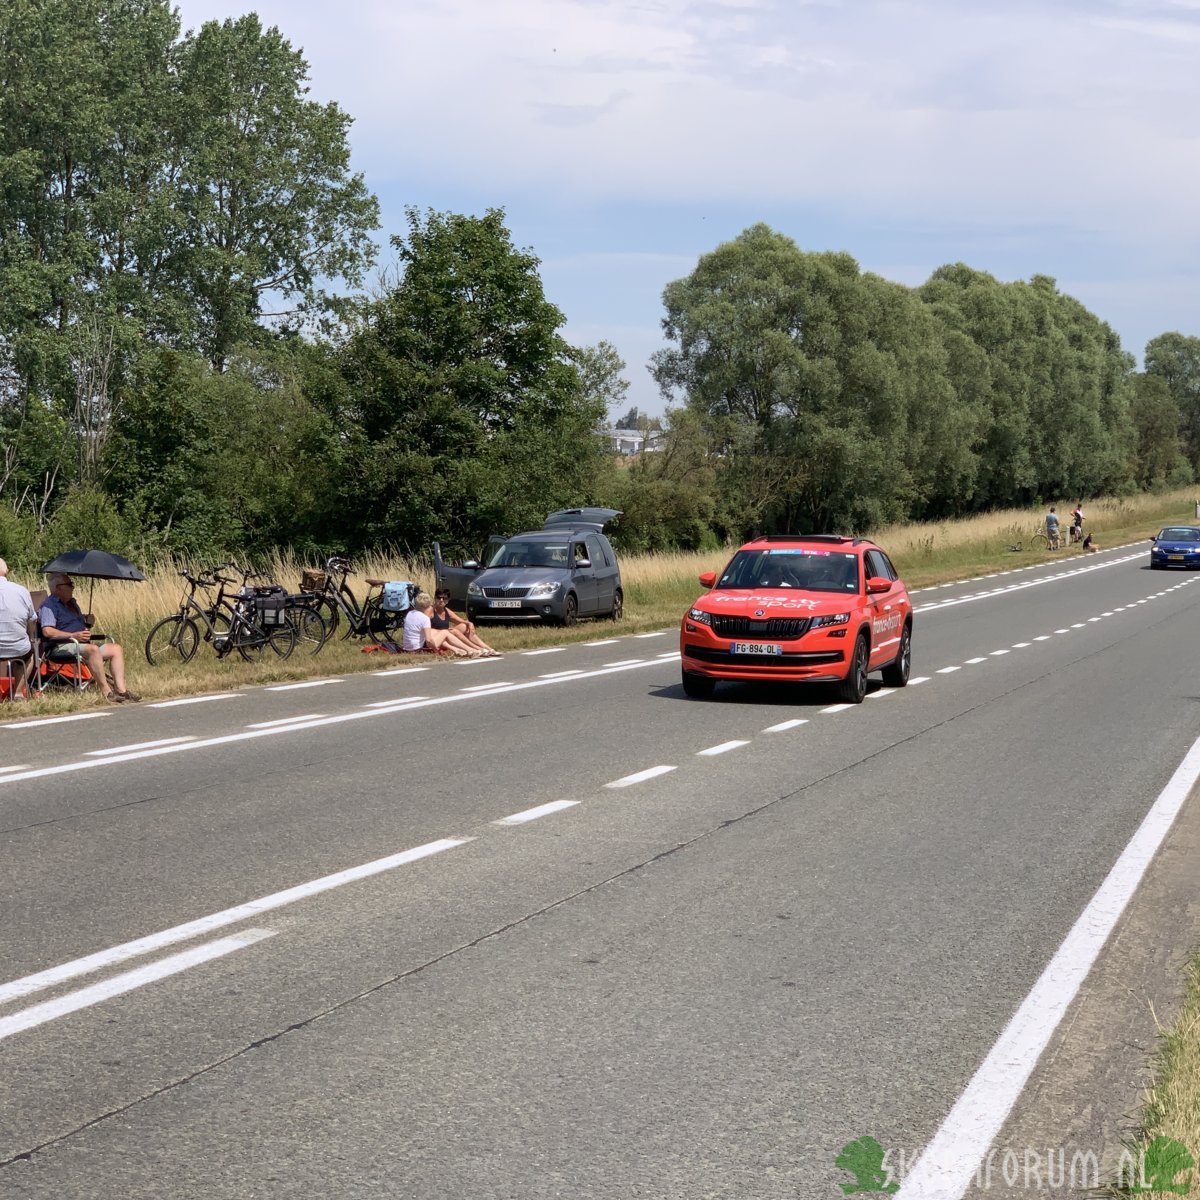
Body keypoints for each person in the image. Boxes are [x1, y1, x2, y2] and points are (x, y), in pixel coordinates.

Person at [37, 573, 141, 703]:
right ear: (58, 588)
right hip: (59, 647)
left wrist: (87, 621)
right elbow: (47, 631)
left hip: (80, 644)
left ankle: (121, 690)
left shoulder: (72, 603)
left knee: (116, 649)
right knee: (93, 650)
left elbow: (74, 624)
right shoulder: (49, 605)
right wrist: (73, 636)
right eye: (69, 585)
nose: (73, 587)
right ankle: (106, 692)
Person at [0, 558, 36, 699]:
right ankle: (18, 693)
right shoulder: (21, 591)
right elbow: (32, 620)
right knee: (28, 656)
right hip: (17, 646)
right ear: (7, 571)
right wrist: (30, 637)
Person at [402, 593, 479, 657]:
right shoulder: (424, 618)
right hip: (418, 649)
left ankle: (458, 650)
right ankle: (470, 649)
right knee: (445, 633)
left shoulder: (409, 614)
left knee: (439, 633)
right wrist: (437, 650)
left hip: (407, 647)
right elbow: (429, 640)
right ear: (427, 605)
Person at [431, 590, 500, 656]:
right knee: (454, 631)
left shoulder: (446, 611)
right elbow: (426, 629)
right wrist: (443, 631)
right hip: (439, 638)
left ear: (447, 601)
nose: (441, 600)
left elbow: (461, 621)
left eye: (444, 598)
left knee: (465, 626)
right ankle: (477, 649)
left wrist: (469, 624)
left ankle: (487, 648)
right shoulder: (431, 611)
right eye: (438, 597)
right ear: (435, 598)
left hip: (447, 635)